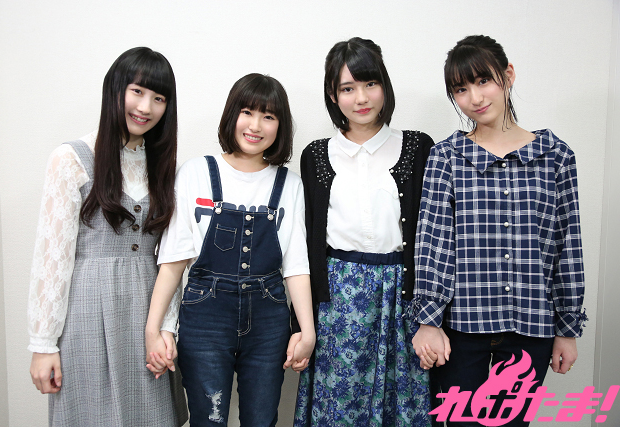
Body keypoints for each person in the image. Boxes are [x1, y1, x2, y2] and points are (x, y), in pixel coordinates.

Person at [412, 35, 587, 427]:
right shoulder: (446, 158)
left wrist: (567, 329)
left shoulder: (556, 157)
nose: (474, 97)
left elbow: (567, 246)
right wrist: (428, 320)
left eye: (483, 81)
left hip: (531, 328)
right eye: (461, 89)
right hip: (462, 328)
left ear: (507, 75)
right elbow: (434, 244)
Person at [27, 47, 188, 426]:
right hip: (87, 314)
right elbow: (52, 258)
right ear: (115, 90)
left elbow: (173, 258)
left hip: (149, 312)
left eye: (159, 98)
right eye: (137, 91)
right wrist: (43, 344)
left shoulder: (167, 169)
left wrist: (167, 327)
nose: (146, 107)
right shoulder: (71, 159)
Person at [145, 73, 315, 426]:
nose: (256, 125)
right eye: (247, 112)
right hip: (204, 315)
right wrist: (154, 329)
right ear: (231, 115)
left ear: (280, 125)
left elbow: (296, 265)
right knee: (208, 419)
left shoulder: (290, 184)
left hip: (269, 318)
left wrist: (307, 330)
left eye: (268, 116)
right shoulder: (196, 172)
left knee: (261, 420)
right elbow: (174, 260)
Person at [292, 37, 440, 427]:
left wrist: (434, 316)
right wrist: (300, 325)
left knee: (405, 405)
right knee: (339, 406)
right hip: (338, 301)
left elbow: (436, 238)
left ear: (384, 86)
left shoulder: (419, 148)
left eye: (370, 84)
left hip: (404, 297)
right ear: (333, 95)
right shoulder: (316, 155)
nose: (361, 98)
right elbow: (306, 246)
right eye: (348, 88)